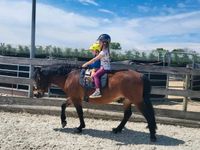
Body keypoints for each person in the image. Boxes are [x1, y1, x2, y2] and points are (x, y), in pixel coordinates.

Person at [82, 34, 111, 98]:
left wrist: (86, 64)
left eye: (100, 42)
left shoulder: (103, 52)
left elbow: (94, 59)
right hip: (104, 67)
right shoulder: (105, 50)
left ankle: (98, 91)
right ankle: (92, 81)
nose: (99, 43)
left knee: (95, 75)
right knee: (93, 72)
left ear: (104, 43)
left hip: (104, 68)